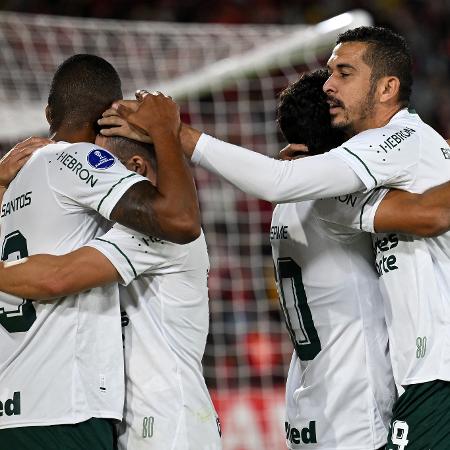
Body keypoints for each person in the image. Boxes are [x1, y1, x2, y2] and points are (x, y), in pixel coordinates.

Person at [103, 26, 450, 449]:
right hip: (393, 388)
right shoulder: (353, 187)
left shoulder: (401, 140)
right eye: (329, 73)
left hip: (405, 383)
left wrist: (178, 133)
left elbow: (282, 182)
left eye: (344, 73)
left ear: (387, 87)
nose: (329, 84)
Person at [0, 54, 200, 450]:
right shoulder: (76, 160)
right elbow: (180, 221)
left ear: (48, 113)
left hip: (13, 403)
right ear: (111, 112)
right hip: (64, 410)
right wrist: (165, 130)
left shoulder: (14, 180)